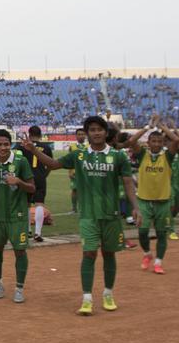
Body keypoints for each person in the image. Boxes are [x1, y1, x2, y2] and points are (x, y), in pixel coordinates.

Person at [20, 115, 139, 316]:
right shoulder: (79, 155)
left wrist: (135, 207)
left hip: (111, 215)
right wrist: (33, 151)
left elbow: (128, 182)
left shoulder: (118, 157)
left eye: (99, 129)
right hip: (88, 216)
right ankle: (87, 298)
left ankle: (108, 294)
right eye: (92, 130)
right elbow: (54, 163)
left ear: (106, 132)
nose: (96, 133)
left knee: (109, 254)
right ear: (87, 133)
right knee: (89, 254)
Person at [125, 116, 179, 274]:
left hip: (163, 201)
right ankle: (147, 254)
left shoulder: (167, 157)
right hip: (143, 201)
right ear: (148, 143)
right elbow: (131, 141)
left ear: (163, 143)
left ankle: (158, 262)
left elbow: (176, 141)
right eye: (153, 141)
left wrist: (163, 128)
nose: (156, 144)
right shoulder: (143, 155)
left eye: (159, 141)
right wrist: (148, 126)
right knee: (142, 232)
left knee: (161, 233)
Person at [0, 129, 35, 302]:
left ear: (11, 144)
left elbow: (32, 187)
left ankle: (19, 288)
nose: (3, 148)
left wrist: (19, 182)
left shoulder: (21, 161)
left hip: (18, 215)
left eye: (6, 144)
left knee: (20, 251)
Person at [16, 125, 53, 242]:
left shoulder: (22, 147)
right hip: (40, 177)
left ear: (29, 135)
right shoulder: (46, 147)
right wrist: (44, 174)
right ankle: (38, 232)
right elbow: (50, 164)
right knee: (39, 204)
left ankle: (28, 231)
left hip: (26, 178)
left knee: (26, 204)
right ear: (41, 135)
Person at [70, 126, 88, 212]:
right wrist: (70, 171)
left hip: (87, 171)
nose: (81, 136)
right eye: (79, 134)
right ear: (76, 136)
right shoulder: (72, 146)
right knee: (74, 190)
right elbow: (69, 160)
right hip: (75, 172)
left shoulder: (89, 146)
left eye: (82, 134)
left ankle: (84, 207)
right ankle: (74, 208)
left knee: (86, 190)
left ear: (85, 135)